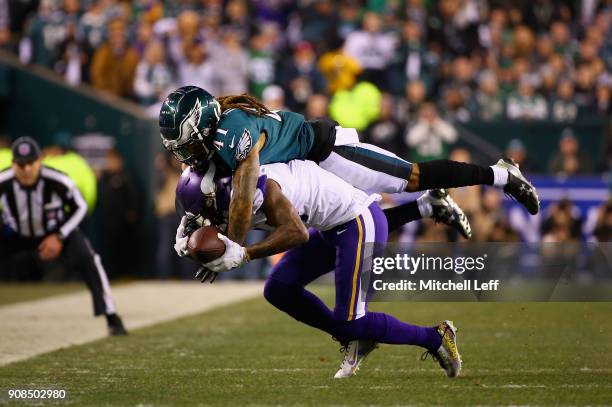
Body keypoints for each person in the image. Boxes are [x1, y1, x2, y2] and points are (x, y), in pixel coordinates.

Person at [173, 161, 468, 379]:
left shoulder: (259, 188)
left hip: (356, 222)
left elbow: (297, 234)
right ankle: (352, 337)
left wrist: (245, 254)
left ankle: (436, 336)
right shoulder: (231, 188)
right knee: (278, 288)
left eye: (205, 211)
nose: (205, 219)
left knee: (351, 320)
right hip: (332, 227)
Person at [158, 86, 540, 249]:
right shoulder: (210, 144)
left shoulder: (231, 131)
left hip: (326, 151)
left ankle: (502, 173)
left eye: (188, 142)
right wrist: (190, 227)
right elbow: (199, 194)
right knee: (342, 225)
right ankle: (430, 206)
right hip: (300, 168)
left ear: (206, 125)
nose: (186, 154)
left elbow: (241, 199)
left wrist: (231, 247)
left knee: (412, 177)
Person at [0, 137, 127, 336]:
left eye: (30, 163)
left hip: (55, 231)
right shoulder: (4, 181)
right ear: (13, 164)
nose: (26, 169)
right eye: (20, 164)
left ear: (40, 161)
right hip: (16, 233)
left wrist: (59, 236)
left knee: (89, 258)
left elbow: (81, 206)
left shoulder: (56, 180)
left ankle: (111, 316)